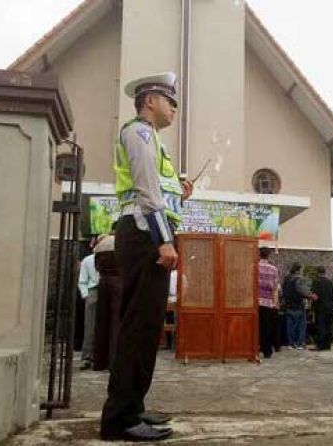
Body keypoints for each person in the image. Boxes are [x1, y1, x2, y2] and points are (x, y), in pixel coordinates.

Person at [99, 71, 193, 442]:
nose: (173, 108)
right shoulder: (138, 132)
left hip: (147, 234)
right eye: (170, 100)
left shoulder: (152, 139)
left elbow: (159, 189)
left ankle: (133, 408)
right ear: (150, 100)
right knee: (138, 326)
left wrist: (179, 193)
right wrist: (162, 241)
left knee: (147, 326)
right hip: (143, 236)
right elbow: (145, 190)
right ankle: (119, 419)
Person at [93, 232, 122, 372]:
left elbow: (96, 266)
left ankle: (99, 361)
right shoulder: (120, 243)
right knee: (117, 322)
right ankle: (114, 361)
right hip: (118, 282)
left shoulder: (100, 246)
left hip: (103, 282)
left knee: (102, 321)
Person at [282, 263, 317, 350]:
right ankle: (300, 343)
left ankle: (291, 343)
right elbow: (301, 291)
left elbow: (283, 292)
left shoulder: (286, 279)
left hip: (288, 305)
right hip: (298, 305)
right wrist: (311, 296)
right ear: (298, 270)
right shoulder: (298, 279)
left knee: (290, 326)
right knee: (301, 326)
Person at [78, 241, 100, 370]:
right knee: (90, 325)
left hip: (107, 290)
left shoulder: (114, 257)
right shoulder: (88, 260)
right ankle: (87, 356)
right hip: (93, 291)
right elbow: (82, 280)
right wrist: (86, 295)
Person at [258, 247, 279, 358]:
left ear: (259, 255)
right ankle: (267, 351)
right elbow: (275, 287)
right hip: (268, 302)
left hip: (255, 302)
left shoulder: (254, 267)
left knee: (256, 326)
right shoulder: (274, 269)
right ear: (269, 255)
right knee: (267, 327)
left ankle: (254, 348)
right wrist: (275, 303)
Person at [310, 266, 333, 351]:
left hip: (320, 307)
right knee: (328, 326)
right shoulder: (330, 282)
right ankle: (327, 345)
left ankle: (320, 345)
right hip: (330, 307)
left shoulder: (316, 282)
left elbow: (315, 296)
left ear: (317, 272)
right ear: (324, 272)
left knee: (320, 326)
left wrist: (312, 307)